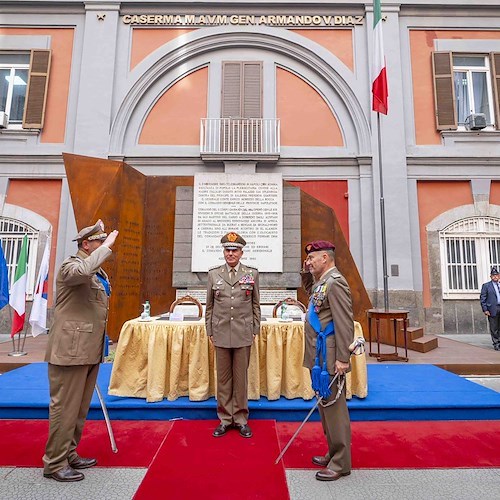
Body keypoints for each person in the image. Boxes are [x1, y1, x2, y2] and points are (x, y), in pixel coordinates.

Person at [43, 220, 118, 482]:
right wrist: (106, 248)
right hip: (70, 351)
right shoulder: (71, 266)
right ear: (86, 244)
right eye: (99, 242)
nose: (103, 247)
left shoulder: (99, 274)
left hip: (87, 350)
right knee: (65, 408)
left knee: (79, 409)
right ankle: (54, 463)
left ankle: (69, 453)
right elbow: (82, 271)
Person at [301, 240, 353, 481]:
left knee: (334, 408)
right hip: (320, 355)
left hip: (331, 356)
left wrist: (343, 358)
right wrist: (306, 271)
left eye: (312, 258)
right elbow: (311, 293)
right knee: (325, 406)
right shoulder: (322, 282)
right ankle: (333, 452)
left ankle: (341, 462)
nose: (309, 261)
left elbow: (344, 323)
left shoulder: (336, 283)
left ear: (326, 258)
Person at [205, 232, 260, 438]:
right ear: (223, 252)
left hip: (243, 333)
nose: (230, 253)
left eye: (234, 250)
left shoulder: (251, 274)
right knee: (224, 379)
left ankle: (241, 418)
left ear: (241, 252)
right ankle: (225, 419)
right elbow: (209, 306)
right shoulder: (214, 274)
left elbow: (255, 304)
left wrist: (255, 329)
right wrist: (209, 330)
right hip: (220, 333)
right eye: (227, 250)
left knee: (240, 378)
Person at [480, 267, 500, 351]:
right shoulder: (486, 286)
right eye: (493, 275)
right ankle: (496, 343)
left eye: (496, 275)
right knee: (494, 327)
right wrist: (485, 309)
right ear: (490, 277)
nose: (495, 277)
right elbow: (483, 298)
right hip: (492, 309)